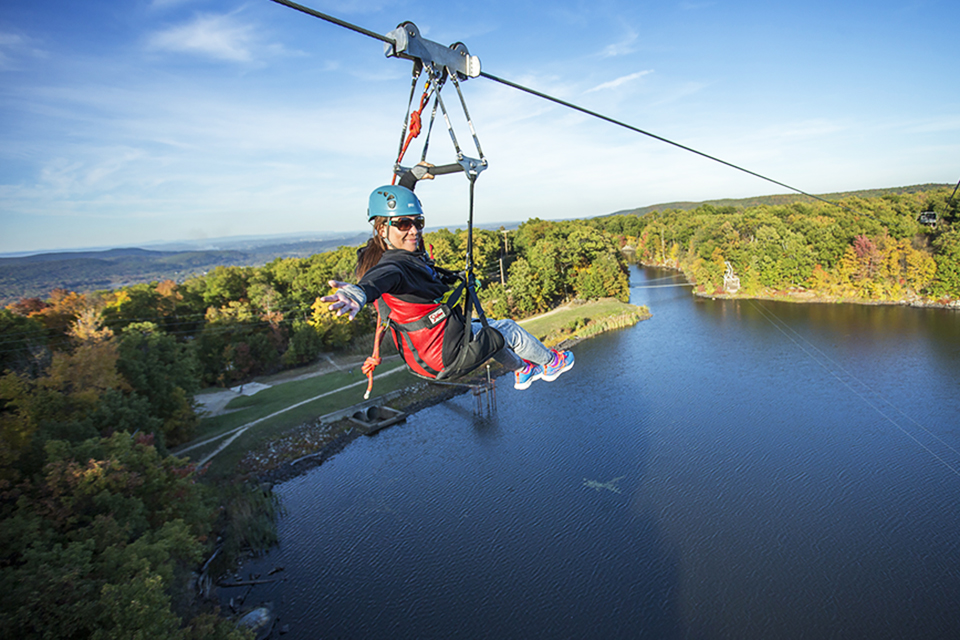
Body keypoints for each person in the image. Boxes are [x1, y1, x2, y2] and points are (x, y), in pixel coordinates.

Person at [321, 166, 573, 390]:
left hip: (428, 352)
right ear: (381, 228)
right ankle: (552, 363)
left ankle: (523, 369)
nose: (414, 230)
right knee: (509, 329)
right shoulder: (395, 267)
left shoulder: (383, 254)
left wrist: (410, 179)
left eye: (418, 222)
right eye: (404, 224)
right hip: (444, 354)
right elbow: (378, 279)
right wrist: (358, 293)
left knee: (490, 330)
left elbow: (396, 212)